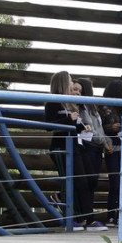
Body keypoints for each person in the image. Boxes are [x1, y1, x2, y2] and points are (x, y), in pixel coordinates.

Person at [44, 71, 91, 231]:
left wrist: (82, 127)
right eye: (70, 81)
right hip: (60, 147)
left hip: (73, 146)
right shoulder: (53, 102)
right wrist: (68, 120)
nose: (73, 84)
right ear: (64, 82)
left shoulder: (69, 103)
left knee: (81, 182)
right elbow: (49, 125)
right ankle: (70, 216)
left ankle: (80, 218)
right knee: (69, 181)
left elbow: (72, 126)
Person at [72, 78, 112, 231]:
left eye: (80, 91)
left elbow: (98, 128)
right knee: (87, 182)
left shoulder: (92, 108)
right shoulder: (81, 109)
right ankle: (86, 217)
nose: (78, 93)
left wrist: (105, 141)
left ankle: (88, 217)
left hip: (97, 147)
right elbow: (88, 130)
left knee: (91, 182)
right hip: (89, 146)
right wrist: (105, 141)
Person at [100, 80, 122, 224]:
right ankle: (111, 215)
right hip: (111, 147)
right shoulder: (104, 107)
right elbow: (98, 127)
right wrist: (111, 127)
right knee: (115, 183)